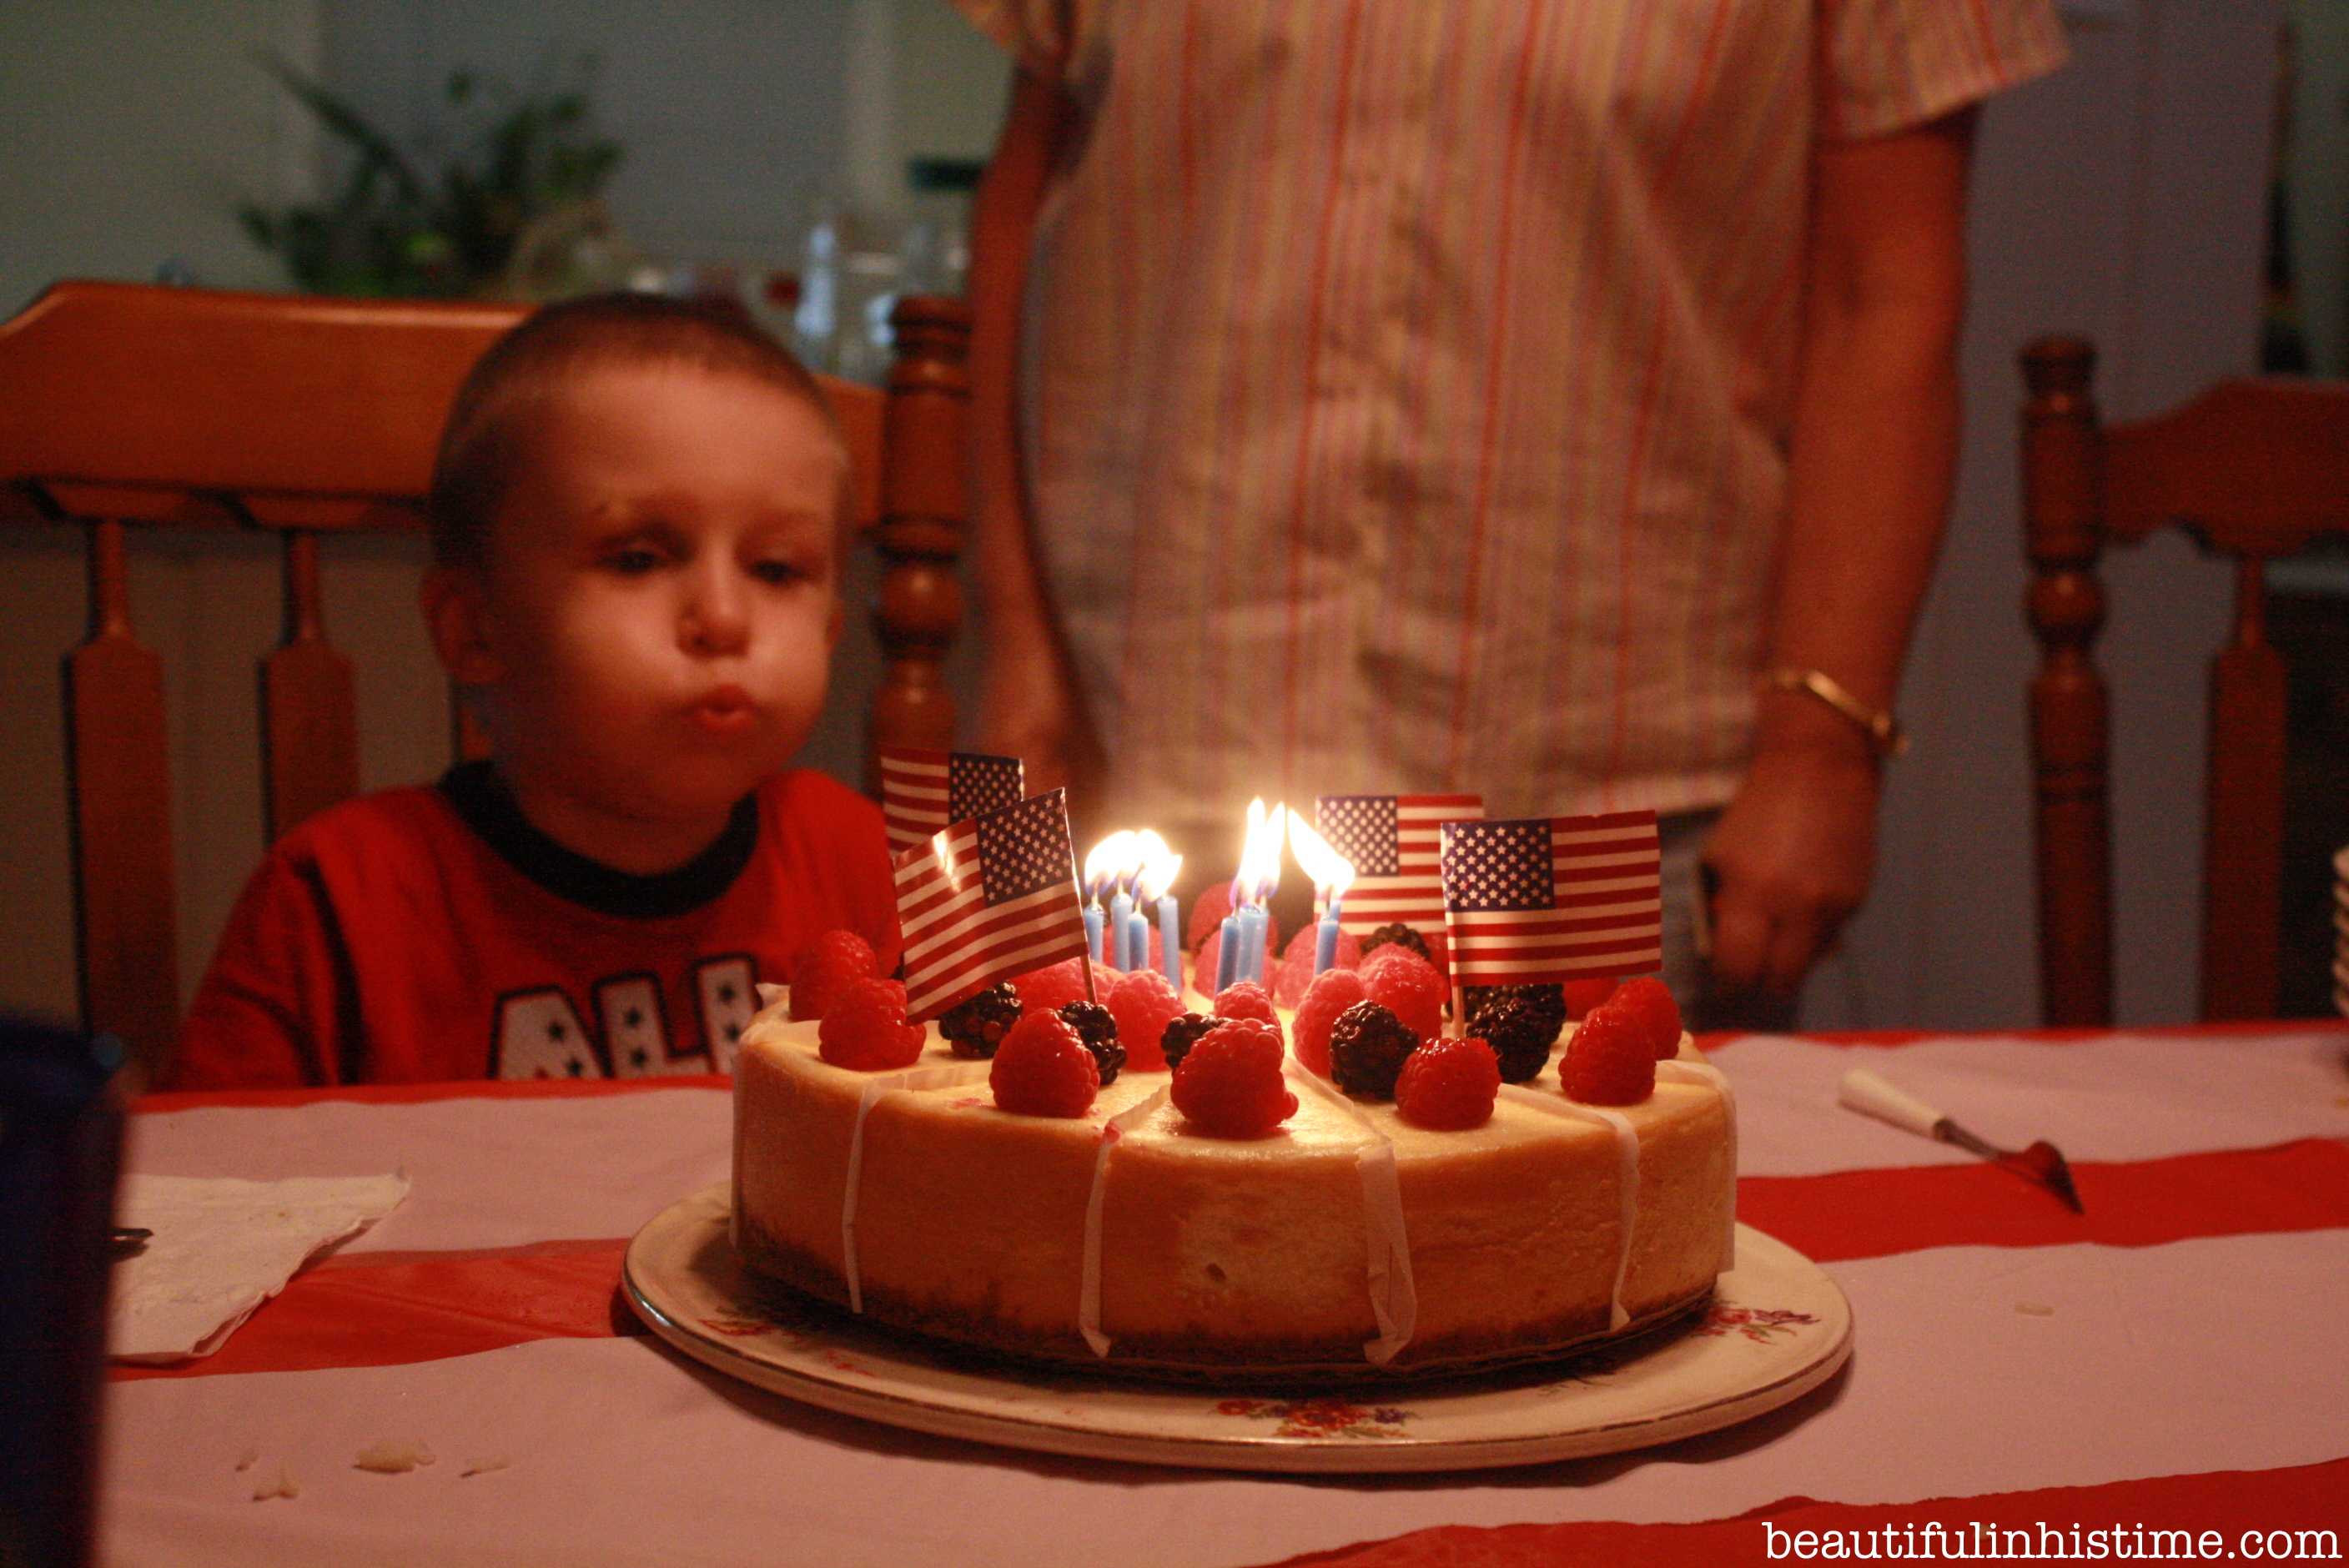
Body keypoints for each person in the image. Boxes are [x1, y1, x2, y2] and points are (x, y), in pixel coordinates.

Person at [953, 0, 2065, 1023]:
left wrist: (1823, 747)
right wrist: (1019, 658)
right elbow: (1026, 189)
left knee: (1576, 1207)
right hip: (1145, 742)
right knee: (1119, 1211)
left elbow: (1885, 287)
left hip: (1594, 794)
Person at [167, 294, 901, 1088]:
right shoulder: (339, 901)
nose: (723, 618)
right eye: (637, 559)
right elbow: (210, 1190)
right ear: (476, 630)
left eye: (776, 569)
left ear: (829, 629)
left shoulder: (865, 865)